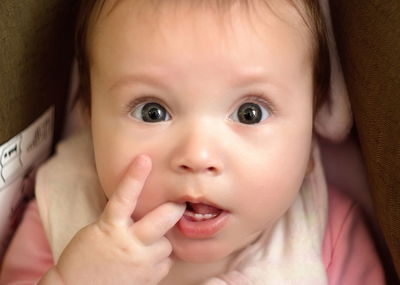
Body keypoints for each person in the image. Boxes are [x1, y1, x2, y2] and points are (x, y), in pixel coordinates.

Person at [0, 0, 385, 284]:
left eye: (250, 113)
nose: (198, 157)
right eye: (152, 111)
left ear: (313, 118)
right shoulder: (61, 212)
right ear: (88, 113)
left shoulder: (325, 236)